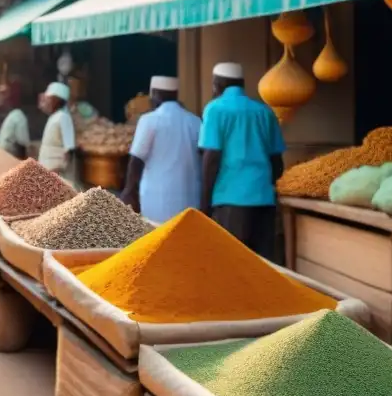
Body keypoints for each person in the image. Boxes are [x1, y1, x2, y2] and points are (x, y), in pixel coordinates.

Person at [199, 62, 286, 261]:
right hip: (264, 200)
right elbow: (276, 160)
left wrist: (204, 205)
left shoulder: (215, 109)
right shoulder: (264, 111)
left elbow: (211, 158)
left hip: (230, 201)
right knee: (263, 266)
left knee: (232, 265)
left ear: (216, 85)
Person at [121, 76, 202, 224]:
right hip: (190, 199)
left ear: (155, 95)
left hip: (157, 201)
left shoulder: (149, 120)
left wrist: (129, 190)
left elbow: (136, 160)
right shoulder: (195, 122)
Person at [38, 82, 76, 185]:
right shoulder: (53, 117)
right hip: (47, 172)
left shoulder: (63, 117)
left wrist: (58, 169)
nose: (47, 102)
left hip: (57, 176)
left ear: (57, 101)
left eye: (49, 99)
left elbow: (69, 149)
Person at [0, 81, 29, 159]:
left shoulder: (18, 116)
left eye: (3, 93)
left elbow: (22, 146)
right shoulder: (7, 117)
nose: (0, 97)